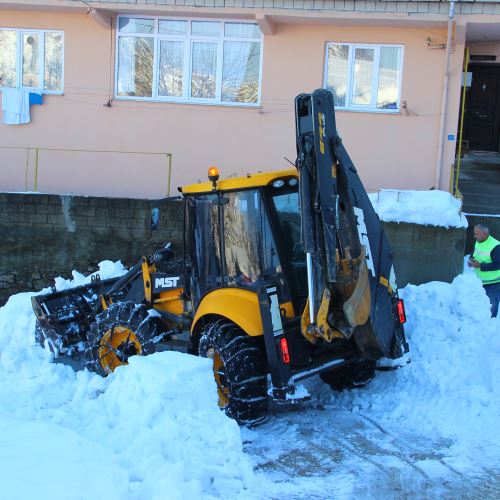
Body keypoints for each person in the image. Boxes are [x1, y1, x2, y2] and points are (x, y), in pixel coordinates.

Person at [468, 224, 500, 318]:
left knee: (491, 306)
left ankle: (491, 323)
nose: (474, 236)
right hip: (480, 281)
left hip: (493, 283)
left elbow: (498, 264)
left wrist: (480, 265)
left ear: (485, 234)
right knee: (482, 304)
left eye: (476, 234)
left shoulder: (496, 246)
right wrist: (471, 259)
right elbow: (475, 252)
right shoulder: (479, 241)